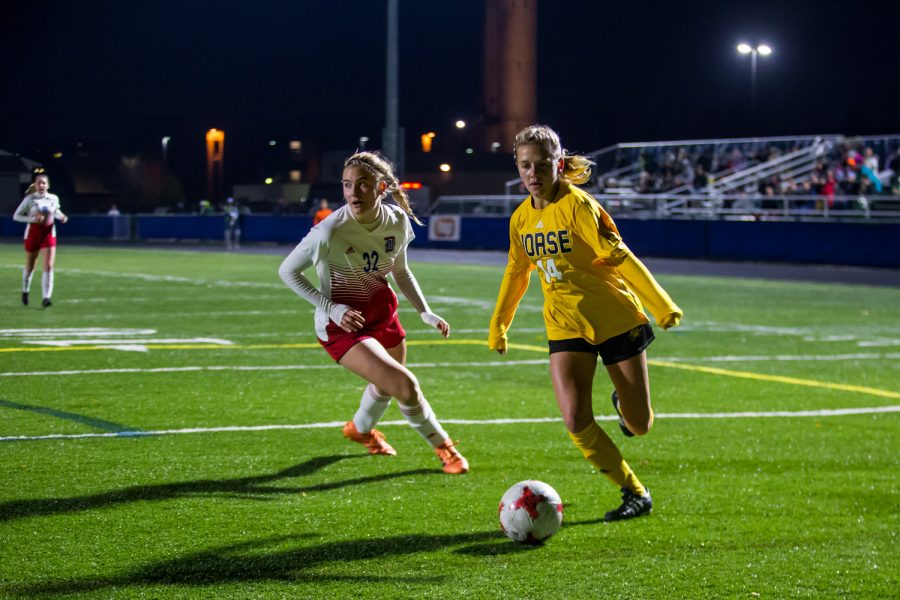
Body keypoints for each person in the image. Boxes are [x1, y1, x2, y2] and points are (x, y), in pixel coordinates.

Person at [489, 125, 683, 521]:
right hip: (566, 324)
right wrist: (498, 325)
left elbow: (620, 256)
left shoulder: (579, 206)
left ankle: (625, 407)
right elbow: (516, 272)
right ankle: (634, 492)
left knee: (640, 425)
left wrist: (660, 304)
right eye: (525, 165)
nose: (533, 173)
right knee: (575, 418)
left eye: (542, 165)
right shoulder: (520, 219)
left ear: (559, 164)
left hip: (615, 319)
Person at [278, 151, 469, 475]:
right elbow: (287, 271)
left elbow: (401, 271)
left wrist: (425, 311)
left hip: (383, 316)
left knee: (387, 386)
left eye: (363, 185)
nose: (353, 193)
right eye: (347, 185)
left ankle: (360, 430)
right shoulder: (330, 231)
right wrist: (332, 308)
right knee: (405, 386)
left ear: (381, 187)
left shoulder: (397, 221)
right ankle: (444, 448)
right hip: (342, 327)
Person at [12, 173, 68, 307]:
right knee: (31, 266)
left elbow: (56, 211)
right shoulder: (30, 199)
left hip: (48, 234)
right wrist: (32, 219)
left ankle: (46, 298)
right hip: (33, 234)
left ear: (48, 185)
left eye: (44, 183)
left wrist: (62, 217)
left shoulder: (54, 198)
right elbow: (16, 216)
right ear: (35, 185)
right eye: (39, 183)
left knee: (48, 265)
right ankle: (25, 290)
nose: (41, 185)